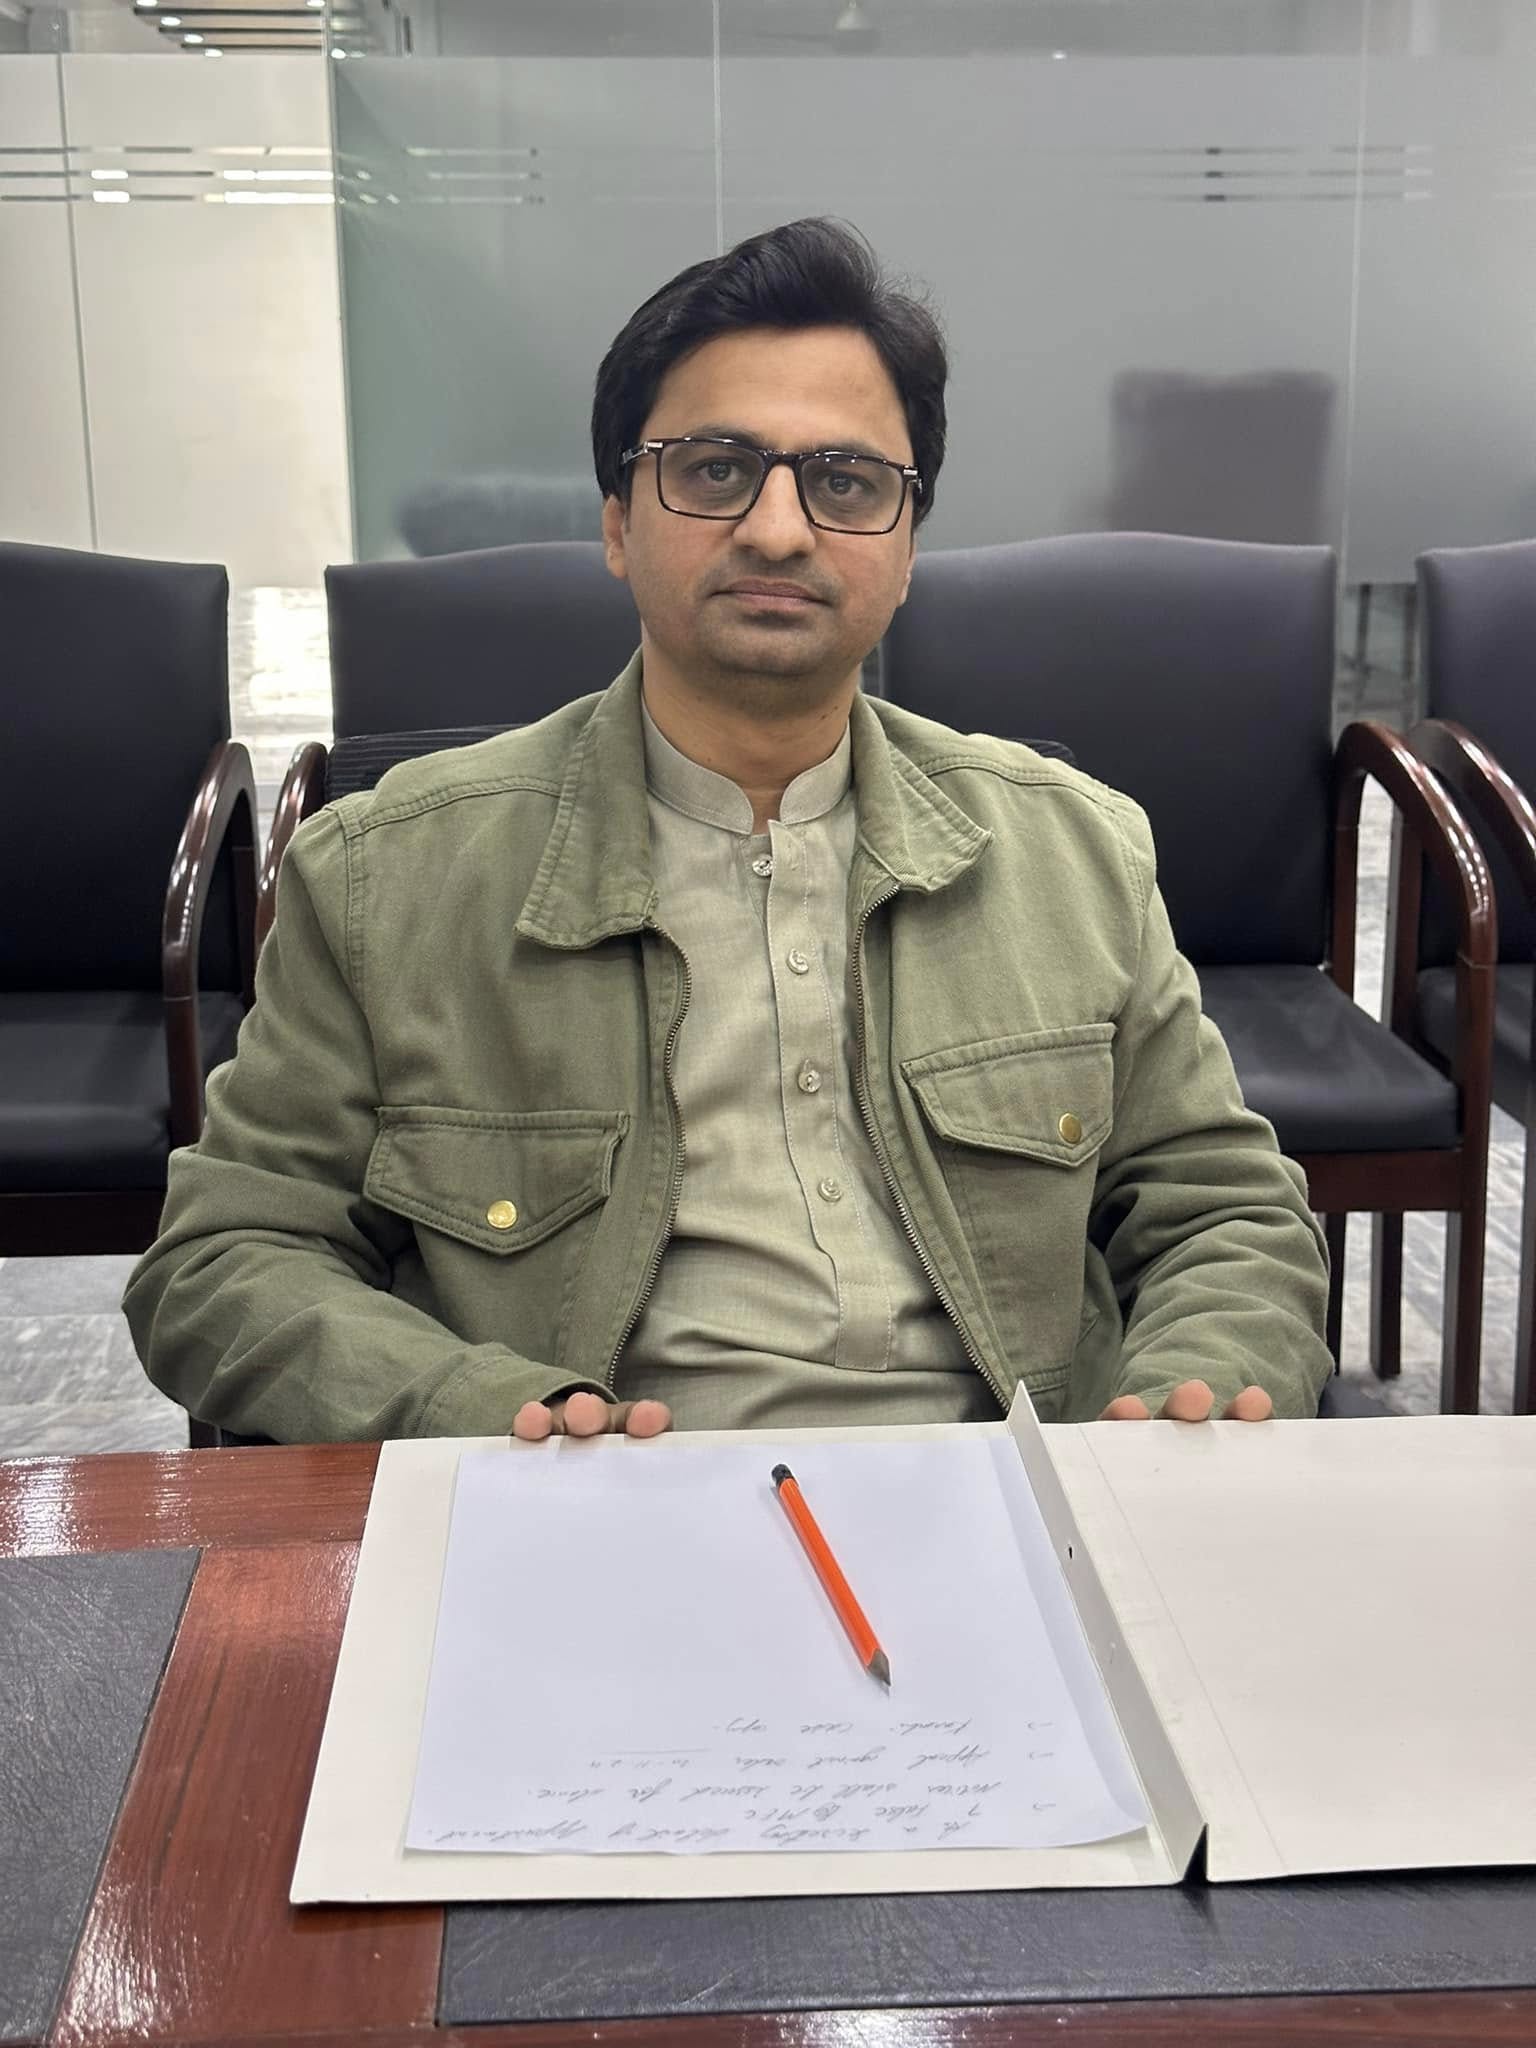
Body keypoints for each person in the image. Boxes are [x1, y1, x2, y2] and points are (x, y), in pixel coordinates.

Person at [126, 217, 1332, 1444]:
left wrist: (1184, 1396)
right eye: (714, 471)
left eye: (846, 482)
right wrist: (487, 1415)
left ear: (907, 545)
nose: (778, 528)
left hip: (1011, 1495)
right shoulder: (385, 878)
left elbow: (1228, 1212)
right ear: (617, 521)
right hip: (590, 1498)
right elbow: (227, 1257)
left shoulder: (1073, 853)